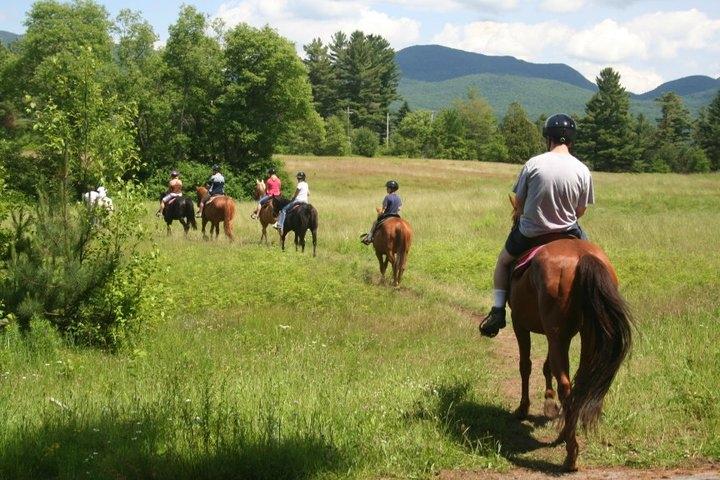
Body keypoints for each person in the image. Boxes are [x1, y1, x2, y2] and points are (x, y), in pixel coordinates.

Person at [479, 113, 594, 338]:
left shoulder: (534, 164)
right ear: (571, 139)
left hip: (532, 232)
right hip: (569, 232)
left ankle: (498, 311)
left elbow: (519, 203)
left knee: (503, 262)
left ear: (548, 138)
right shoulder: (582, 169)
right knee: (593, 261)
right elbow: (580, 211)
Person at [360, 180, 402, 245]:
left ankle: (369, 238)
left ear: (391, 189)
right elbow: (399, 208)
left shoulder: (387, 197)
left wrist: (380, 213)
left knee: (375, 223)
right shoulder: (398, 198)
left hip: (387, 216)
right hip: (396, 216)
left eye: (387, 188)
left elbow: (384, 209)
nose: (386, 189)